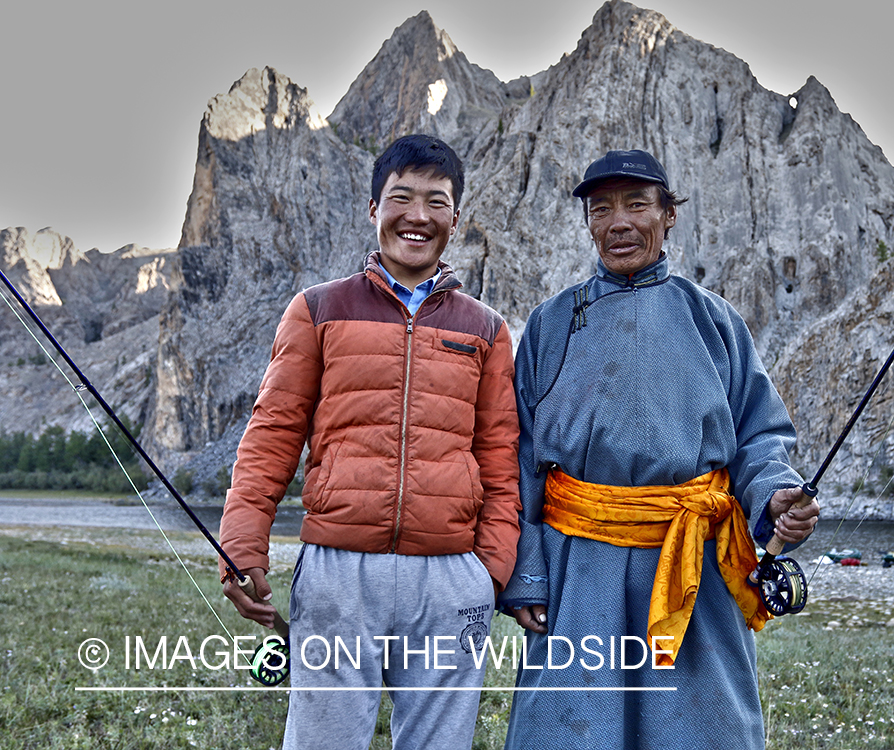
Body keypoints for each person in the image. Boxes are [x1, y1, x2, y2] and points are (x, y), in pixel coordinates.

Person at [498, 149, 819, 749]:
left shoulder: (715, 322)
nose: (619, 223)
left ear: (668, 215)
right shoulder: (549, 325)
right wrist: (527, 576)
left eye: (637, 205)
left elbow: (758, 436)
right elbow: (519, 457)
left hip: (692, 568)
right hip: (577, 571)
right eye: (602, 210)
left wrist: (774, 493)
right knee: (568, 729)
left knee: (699, 731)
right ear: (589, 223)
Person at [219, 134, 521, 750]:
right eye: (400, 197)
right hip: (338, 573)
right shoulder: (317, 309)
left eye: (435, 201)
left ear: (454, 218)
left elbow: (499, 456)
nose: (417, 215)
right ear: (374, 209)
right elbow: (273, 432)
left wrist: (488, 573)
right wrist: (242, 542)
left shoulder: (486, 329)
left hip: (450, 578)